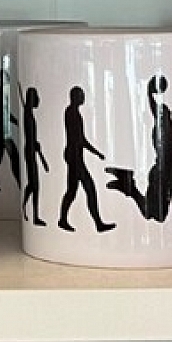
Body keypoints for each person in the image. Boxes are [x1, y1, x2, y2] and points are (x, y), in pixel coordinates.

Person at [106, 74, 172, 224]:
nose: (166, 113)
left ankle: (128, 184)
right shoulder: (168, 127)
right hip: (162, 174)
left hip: (163, 173)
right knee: (155, 214)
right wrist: (149, 90)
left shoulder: (170, 127)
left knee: (153, 214)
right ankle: (128, 184)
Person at [58, 85, 114, 233]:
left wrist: (96, 153)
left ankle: (64, 220)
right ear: (75, 97)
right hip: (74, 157)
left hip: (75, 157)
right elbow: (78, 139)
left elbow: (80, 139)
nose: (83, 97)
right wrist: (94, 152)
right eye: (81, 95)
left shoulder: (74, 113)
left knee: (74, 191)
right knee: (87, 189)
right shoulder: (71, 113)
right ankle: (97, 223)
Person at [20, 86, 50, 226]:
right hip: (30, 151)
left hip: (32, 150)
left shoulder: (29, 114)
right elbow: (30, 136)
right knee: (34, 185)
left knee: (33, 185)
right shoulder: (28, 115)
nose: (38, 99)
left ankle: (27, 209)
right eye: (35, 96)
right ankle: (34, 215)